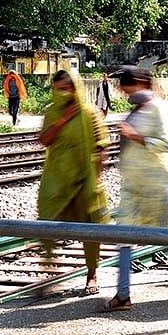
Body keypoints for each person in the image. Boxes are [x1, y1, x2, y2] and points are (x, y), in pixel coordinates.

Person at [102, 65, 168, 311]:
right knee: (123, 236)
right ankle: (123, 295)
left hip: (158, 180)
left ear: (140, 84)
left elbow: (166, 144)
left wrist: (134, 136)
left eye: (126, 88)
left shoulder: (161, 108)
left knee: (164, 235)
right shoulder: (139, 108)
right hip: (134, 182)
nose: (125, 94)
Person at [37, 69, 111, 296]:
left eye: (67, 89)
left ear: (76, 88)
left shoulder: (90, 113)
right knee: (47, 221)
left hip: (83, 180)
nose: (62, 94)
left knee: (90, 229)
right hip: (57, 178)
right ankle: (50, 271)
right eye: (58, 89)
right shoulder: (52, 112)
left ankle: (92, 274)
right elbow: (44, 140)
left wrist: (96, 178)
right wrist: (62, 121)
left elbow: (102, 147)